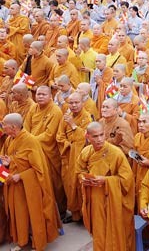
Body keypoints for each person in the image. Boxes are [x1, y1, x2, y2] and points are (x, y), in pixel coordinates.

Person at [0, 113, 61, 251]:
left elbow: (39, 169)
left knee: (32, 214)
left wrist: (21, 176)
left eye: (4, 124)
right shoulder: (10, 139)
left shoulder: (31, 141)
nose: (2, 127)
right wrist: (8, 162)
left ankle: (35, 242)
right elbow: (10, 158)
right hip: (14, 186)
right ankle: (22, 240)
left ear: (14, 127)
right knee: (19, 214)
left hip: (28, 186)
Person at [76, 121, 135, 250]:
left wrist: (106, 180)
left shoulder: (116, 153)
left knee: (114, 231)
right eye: (95, 136)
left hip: (113, 200)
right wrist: (83, 178)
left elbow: (127, 180)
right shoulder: (86, 152)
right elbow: (79, 171)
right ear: (88, 137)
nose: (99, 139)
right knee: (99, 231)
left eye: (102, 135)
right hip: (95, 199)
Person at [23, 85, 66, 216]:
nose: (40, 97)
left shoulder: (55, 111)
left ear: (50, 96)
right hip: (34, 150)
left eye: (43, 94)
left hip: (49, 151)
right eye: (38, 94)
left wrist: (30, 142)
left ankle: (60, 210)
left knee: (54, 182)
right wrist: (28, 141)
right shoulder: (33, 108)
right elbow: (26, 127)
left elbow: (49, 135)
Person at [56, 91, 93, 223]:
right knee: (69, 186)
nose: (73, 105)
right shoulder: (66, 117)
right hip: (68, 157)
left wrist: (73, 125)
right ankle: (75, 214)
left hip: (81, 159)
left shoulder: (87, 117)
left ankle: (85, 215)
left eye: (76, 102)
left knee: (79, 186)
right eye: (71, 103)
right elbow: (59, 136)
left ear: (82, 103)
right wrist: (68, 145)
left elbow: (86, 139)